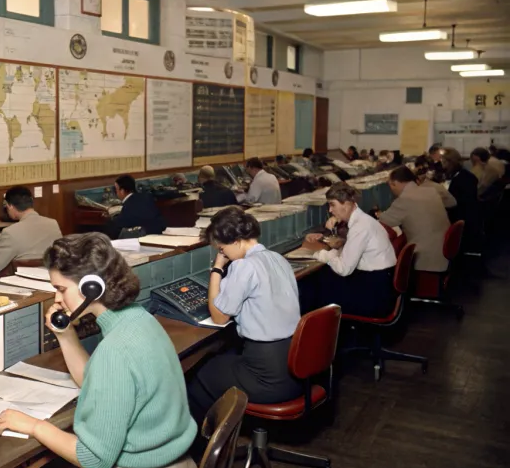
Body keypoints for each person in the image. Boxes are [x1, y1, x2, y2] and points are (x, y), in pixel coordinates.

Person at [0, 233, 197, 468]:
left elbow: (94, 458)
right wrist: (65, 336)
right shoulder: (139, 320)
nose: (57, 299)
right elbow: (95, 379)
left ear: (92, 287)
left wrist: (35, 426)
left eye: (61, 289)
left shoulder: (115, 352)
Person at [186, 208, 302, 424]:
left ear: (237, 241)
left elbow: (219, 317)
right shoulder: (277, 258)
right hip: (294, 368)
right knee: (224, 358)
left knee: (198, 373)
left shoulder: (244, 266)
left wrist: (217, 269)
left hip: (265, 375)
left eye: (222, 249)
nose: (223, 254)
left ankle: (204, 451)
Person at [304, 183, 396, 318]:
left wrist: (321, 255)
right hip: (379, 282)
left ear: (346, 205)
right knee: (322, 280)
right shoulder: (362, 220)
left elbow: (344, 269)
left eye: (332, 205)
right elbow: (348, 253)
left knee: (313, 287)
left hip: (374, 293)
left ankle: (313, 333)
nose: (330, 210)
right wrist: (330, 253)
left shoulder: (360, 227)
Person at [377, 166, 451, 272]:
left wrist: (378, 214)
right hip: (444, 249)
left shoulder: (404, 200)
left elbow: (384, 221)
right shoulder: (431, 191)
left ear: (395, 183)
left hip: (426, 258)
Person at [0, 186, 62, 273]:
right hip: (51, 279)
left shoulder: (10, 233)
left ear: (10, 206)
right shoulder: (53, 224)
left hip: (23, 282)